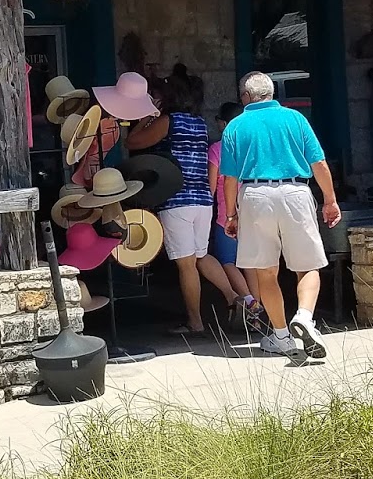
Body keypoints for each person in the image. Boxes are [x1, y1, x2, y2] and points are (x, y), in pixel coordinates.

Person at [218, 72, 340, 358]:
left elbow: (230, 179)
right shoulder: (295, 119)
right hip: (295, 191)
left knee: (266, 271)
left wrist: (231, 215)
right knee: (308, 266)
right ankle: (305, 317)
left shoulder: (235, 126)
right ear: (272, 93)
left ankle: (282, 337)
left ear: (245, 97)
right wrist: (330, 200)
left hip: (254, 195)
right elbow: (319, 163)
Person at [144, 72, 243, 336]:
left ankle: (195, 322)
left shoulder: (168, 120)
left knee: (186, 264)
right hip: (202, 200)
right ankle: (235, 298)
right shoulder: (199, 123)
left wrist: (146, 115)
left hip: (177, 199)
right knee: (201, 255)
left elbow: (134, 141)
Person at [207, 100, 262, 331]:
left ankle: (249, 301)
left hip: (227, 215)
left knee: (227, 261)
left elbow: (211, 187)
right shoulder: (252, 148)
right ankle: (258, 317)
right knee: (251, 264)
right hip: (253, 212)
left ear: (222, 123)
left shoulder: (217, 149)